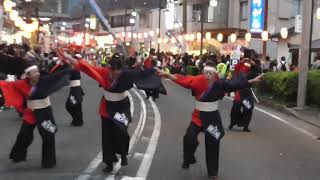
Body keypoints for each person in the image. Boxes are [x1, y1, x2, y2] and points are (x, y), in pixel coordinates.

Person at [58, 50, 163, 173]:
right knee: (107, 137)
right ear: (109, 69)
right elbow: (86, 67)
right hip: (107, 108)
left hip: (121, 107)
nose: (116, 73)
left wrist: (156, 71)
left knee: (121, 133)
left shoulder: (126, 75)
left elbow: (142, 74)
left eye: (118, 71)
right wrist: (68, 57)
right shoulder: (104, 73)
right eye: (113, 71)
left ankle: (123, 154)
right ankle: (108, 162)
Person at [160, 61, 263, 179]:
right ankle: (188, 158)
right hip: (198, 117)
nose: (207, 76)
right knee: (189, 138)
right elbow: (183, 79)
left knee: (213, 143)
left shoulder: (219, 84)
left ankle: (212, 172)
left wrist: (252, 81)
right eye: (205, 73)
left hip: (212, 118)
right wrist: (167, 75)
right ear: (203, 73)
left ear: (215, 75)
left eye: (210, 73)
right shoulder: (198, 80)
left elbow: (236, 84)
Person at [0, 61, 72, 168]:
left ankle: (49, 162)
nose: (37, 74)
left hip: (44, 112)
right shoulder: (21, 83)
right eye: (33, 72)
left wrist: (71, 67)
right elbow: (6, 85)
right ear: (28, 75)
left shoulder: (44, 81)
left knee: (48, 135)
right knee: (24, 135)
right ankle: (17, 155)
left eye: (37, 71)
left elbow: (58, 75)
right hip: (31, 112)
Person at [48, 54, 85, 127]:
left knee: (71, 105)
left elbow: (64, 72)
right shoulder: (73, 67)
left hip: (76, 89)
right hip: (75, 89)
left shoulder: (74, 68)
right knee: (76, 106)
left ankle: (78, 120)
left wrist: (62, 63)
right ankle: (77, 120)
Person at [229, 59, 261, 132]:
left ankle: (245, 125)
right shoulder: (240, 69)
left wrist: (253, 64)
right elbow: (237, 67)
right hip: (239, 93)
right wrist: (243, 60)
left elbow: (258, 70)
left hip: (246, 94)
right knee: (235, 109)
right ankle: (232, 123)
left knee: (248, 109)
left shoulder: (252, 70)